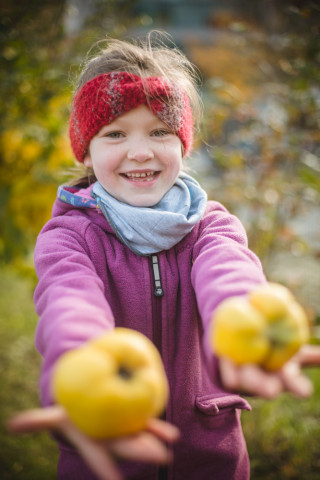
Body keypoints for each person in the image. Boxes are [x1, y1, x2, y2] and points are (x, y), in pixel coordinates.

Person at [7, 34, 320, 480]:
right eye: (115, 134)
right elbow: (69, 307)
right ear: (87, 151)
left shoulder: (211, 225)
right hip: (107, 455)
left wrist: (247, 319)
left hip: (210, 460)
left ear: (182, 145)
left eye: (159, 132)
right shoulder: (69, 238)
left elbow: (229, 274)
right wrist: (81, 376)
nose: (140, 151)